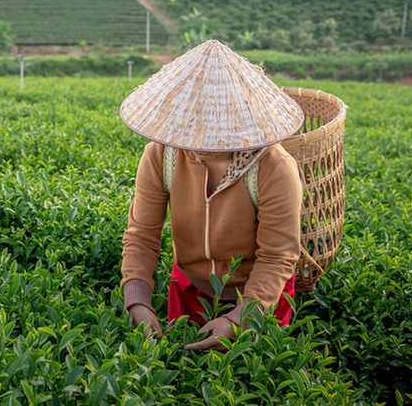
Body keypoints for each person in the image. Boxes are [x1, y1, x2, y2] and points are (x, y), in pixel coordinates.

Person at [119, 40, 304, 351]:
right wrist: (137, 301)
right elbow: (142, 235)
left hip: (261, 295)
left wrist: (239, 319)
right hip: (190, 288)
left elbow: (276, 257)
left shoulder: (274, 167)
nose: (204, 136)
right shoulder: (161, 155)